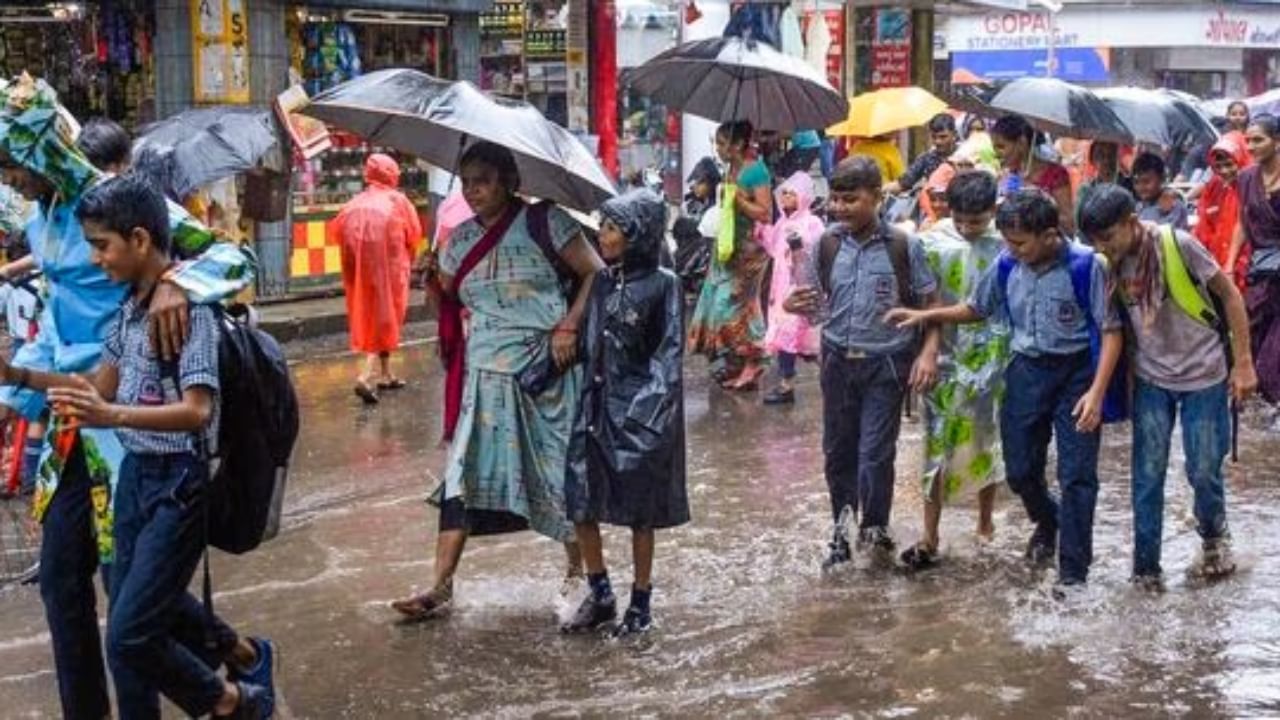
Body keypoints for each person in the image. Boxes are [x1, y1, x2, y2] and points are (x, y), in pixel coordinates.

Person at [0, 74, 256, 719]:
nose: (10, 181)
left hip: (129, 419)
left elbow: (233, 259)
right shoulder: (43, 219)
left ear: (40, 152)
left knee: (128, 593)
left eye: (12, 165)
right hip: (70, 416)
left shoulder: (116, 202)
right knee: (61, 581)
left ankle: (225, 673)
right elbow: (58, 319)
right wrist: (17, 385)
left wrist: (180, 285)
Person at [391, 142, 604, 621]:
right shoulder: (458, 241)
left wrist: (569, 324)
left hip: (546, 370)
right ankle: (440, 587)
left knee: (558, 473)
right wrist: (427, 280)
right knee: (462, 476)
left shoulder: (548, 223)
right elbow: (444, 303)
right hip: (484, 375)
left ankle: (581, 575)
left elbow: (596, 274)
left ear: (510, 181)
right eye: (467, 181)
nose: (474, 190)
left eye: (484, 179)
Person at [887, 189, 1122, 593]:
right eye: (1008, 242)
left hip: (1077, 374)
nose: (1011, 250)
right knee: (1019, 470)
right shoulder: (1007, 264)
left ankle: (1073, 575)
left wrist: (1097, 394)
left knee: (1077, 474)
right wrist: (927, 315)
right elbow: (977, 308)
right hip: (1027, 370)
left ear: (1049, 235)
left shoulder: (1087, 265)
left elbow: (1110, 331)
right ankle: (1049, 521)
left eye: (1019, 243)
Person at [1080, 183, 1257, 591]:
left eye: (1107, 238)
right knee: (1146, 475)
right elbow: (1111, 328)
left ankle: (1213, 538)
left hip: (1205, 375)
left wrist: (1243, 363)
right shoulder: (1106, 265)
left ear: (1130, 223)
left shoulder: (1178, 244)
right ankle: (1146, 570)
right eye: (1095, 241)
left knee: (1203, 469)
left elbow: (1230, 297)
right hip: (1151, 379)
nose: (1103, 248)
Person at [783, 156, 941, 569]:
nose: (840, 207)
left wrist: (927, 352)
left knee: (875, 453)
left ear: (876, 197)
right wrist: (792, 305)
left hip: (887, 363)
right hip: (836, 360)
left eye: (850, 199)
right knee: (838, 452)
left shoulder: (905, 246)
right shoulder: (827, 245)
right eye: (835, 199)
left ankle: (874, 526)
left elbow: (930, 303)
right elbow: (816, 309)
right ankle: (841, 529)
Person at [562, 188, 688, 637]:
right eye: (603, 225)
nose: (603, 235)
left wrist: (647, 415)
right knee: (579, 499)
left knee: (641, 512)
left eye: (612, 228)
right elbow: (583, 345)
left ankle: (641, 600)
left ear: (636, 234)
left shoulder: (664, 285)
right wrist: (534, 374)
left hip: (640, 416)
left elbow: (669, 354)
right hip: (595, 408)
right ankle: (600, 593)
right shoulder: (600, 282)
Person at [897, 171, 1009, 570]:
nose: (966, 228)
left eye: (976, 221)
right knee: (935, 443)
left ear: (993, 211)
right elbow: (923, 301)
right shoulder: (930, 242)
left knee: (987, 439)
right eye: (960, 219)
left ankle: (984, 524)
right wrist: (925, 351)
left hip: (994, 356)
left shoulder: (1007, 244)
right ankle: (930, 535)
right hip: (941, 355)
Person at [688, 120, 772, 391]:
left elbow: (765, 213)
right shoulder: (730, 169)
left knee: (734, 306)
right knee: (718, 303)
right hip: (727, 248)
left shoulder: (756, 171)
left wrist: (739, 200)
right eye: (717, 143)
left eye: (724, 143)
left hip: (749, 252)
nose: (719, 149)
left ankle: (755, 358)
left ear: (738, 144)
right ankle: (738, 365)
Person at [333, 153, 424, 404]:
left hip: (359, 270)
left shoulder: (355, 203)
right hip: (391, 271)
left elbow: (337, 231)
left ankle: (386, 374)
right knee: (385, 318)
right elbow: (414, 234)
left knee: (371, 313)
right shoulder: (398, 201)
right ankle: (365, 375)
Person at [1227, 114, 1280, 406]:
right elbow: (1242, 222)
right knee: (1251, 344)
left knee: (1272, 363)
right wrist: (1230, 261)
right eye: (1248, 140)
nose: (1251, 146)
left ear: (1277, 141)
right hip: (1260, 275)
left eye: (1258, 139)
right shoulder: (1246, 178)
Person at [759, 171, 823, 405]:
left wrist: (798, 244)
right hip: (781, 288)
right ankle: (787, 385)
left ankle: (832, 378)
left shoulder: (812, 223)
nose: (785, 197)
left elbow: (816, 251)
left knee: (805, 339)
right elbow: (772, 247)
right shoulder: (782, 223)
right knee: (786, 336)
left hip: (800, 286)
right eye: (783, 192)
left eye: (791, 193)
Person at [991, 114, 1076, 234]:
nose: (996, 154)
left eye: (1001, 146)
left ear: (1022, 142)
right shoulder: (1005, 176)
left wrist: (1038, 202)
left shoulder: (1055, 174)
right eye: (994, 147)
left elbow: (1069, 224)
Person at [1196, 133, 1252, 291]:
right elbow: (1204, 225)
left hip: (1245, 265)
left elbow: (1244, 226)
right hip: (1218, 264)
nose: (1224, 171)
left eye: (1229, 164)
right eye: (1218, 166)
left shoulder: (1252, 185)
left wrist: (1230, 265)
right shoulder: (1215, 186)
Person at [887, 113, 959, 195]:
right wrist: (878, 190)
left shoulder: (965, 155)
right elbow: (902, 184)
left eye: (943, 137)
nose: (938, 141)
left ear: (954, 135)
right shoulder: (926, 158)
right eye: (934, 137)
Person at [1075, 141, 1134, 230]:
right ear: (1092, 160)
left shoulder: (1131, 184)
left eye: (1111, 155)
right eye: (1100, 155)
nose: (1106, 160)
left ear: (1118, 157)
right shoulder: (1086, 190)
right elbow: (1080, 223)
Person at [1132, 152, 1190, 231]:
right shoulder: (1139, 206)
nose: (1141, 187)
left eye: (1146, 181)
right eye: (1136, 182)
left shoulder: (1173, 205)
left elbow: (1168, 235)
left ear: (1162, 178)